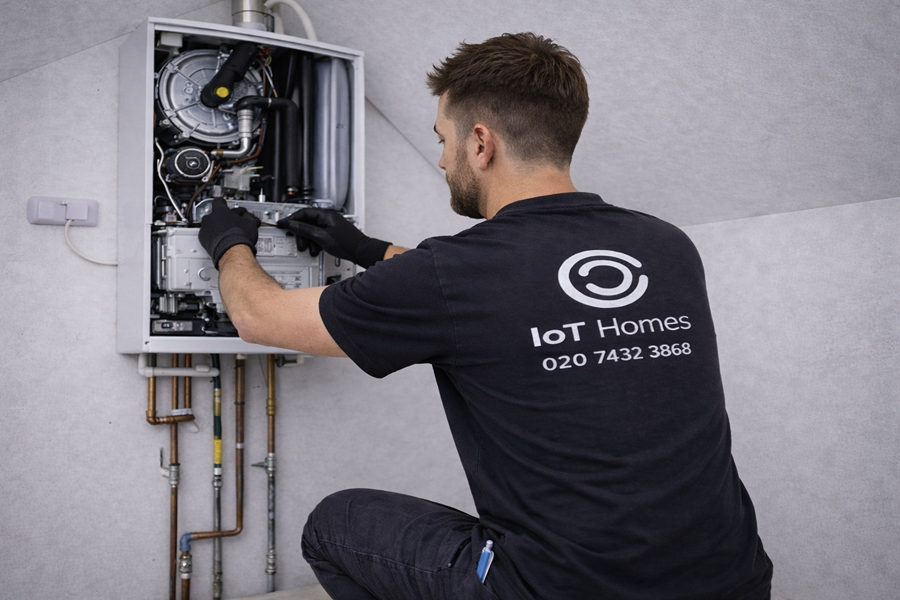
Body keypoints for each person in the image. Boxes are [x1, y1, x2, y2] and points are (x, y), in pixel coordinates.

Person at [199, 32, 773, 600]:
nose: (444, 159)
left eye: (443, 140)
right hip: (731, 578)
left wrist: (229, 244)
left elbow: (260, 316)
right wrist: (373, 251)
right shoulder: (665, 244)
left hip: (553, 589)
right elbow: (524, 289)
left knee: (335, 523)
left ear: (481, 143)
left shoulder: (451, 275)